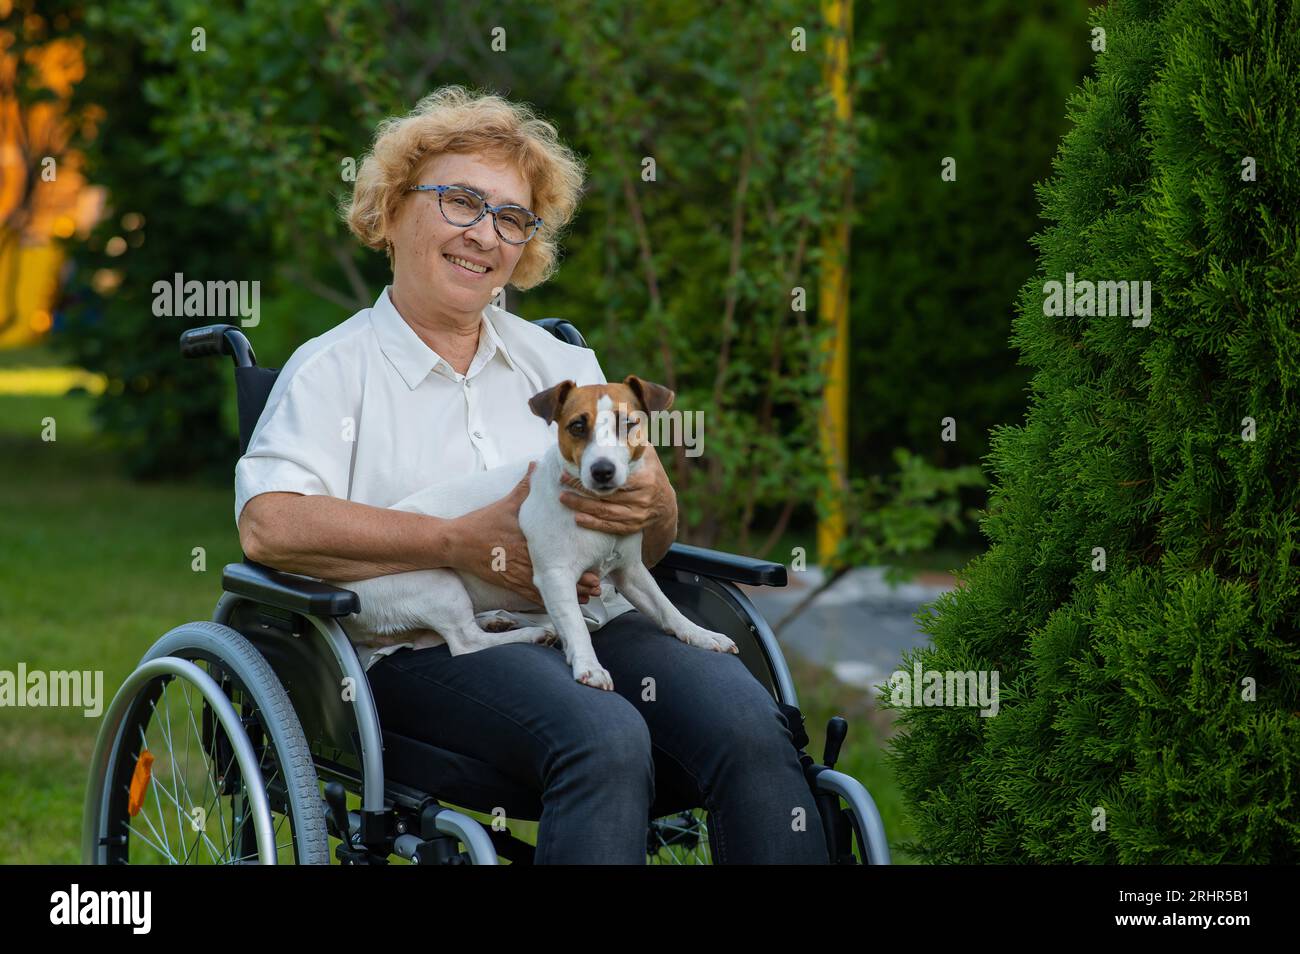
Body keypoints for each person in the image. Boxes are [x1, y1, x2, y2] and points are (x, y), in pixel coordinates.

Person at [234, 85, 828, 864]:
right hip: (421, 652)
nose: (485, 234)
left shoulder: (564, 365)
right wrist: (455, 543)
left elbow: (648, 545)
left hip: (597, 621)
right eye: (460, 202)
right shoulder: (330, 370)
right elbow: (268, 526)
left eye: (511, 218)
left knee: (752, 724)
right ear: (391, 211)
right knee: (604, 737)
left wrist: (655, 501)